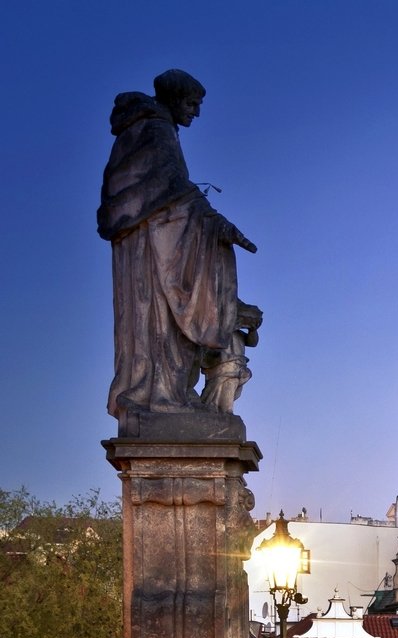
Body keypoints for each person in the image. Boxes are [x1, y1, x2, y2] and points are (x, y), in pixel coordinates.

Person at [98, 70, 256, 426]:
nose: (196, 112)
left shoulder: (157, 129)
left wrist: (208, 218)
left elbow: (173, 189)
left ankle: (172, 395)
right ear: (173, 98)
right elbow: (164, 188)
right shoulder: (153, 129)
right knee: (156, 323)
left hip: (162, 240)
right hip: (150, 250)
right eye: (191, 103)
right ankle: (159, 397)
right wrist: (212, 220)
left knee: (167, 326)